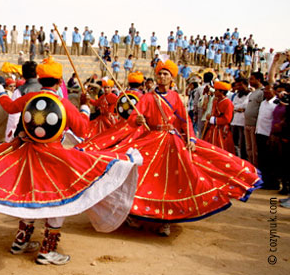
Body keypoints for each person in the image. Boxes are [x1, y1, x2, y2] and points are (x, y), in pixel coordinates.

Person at [0, 57, 141, 265]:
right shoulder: (63, 103)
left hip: (28, 154)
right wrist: (85, 108)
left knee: (30, 196)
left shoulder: (30, 97)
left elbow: (8, 106)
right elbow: (82, 129)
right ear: (59, 81)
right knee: (57, 200)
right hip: (53, 157)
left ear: (41, 78)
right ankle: (47, 250)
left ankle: (21, 241)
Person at [93, 60, 260, 236]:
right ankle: (135, 214)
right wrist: (138, 120)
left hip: (173, 142)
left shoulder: (175, 97)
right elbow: (134, 118)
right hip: (151, 140)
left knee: (173, 181)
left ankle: (167, 221)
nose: (162, 76)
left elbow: (184, 120)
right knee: (142, 177)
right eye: (160, 73)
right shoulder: (148, 98)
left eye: (166, 74)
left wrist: (192, 138)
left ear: (172, 77)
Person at [4, 61, 41, 142]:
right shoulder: (45, 89)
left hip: (25, 133)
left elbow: (14, 117)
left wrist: (9, 137)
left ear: (23, 74)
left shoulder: (20, 91)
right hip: (44, 133)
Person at [202, 81, 235, 153]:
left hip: (221, 130)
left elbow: (227, 119)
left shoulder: (228, 103)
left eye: (216, 90)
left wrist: (212, 119)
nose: (214, 92)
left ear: (222, 92)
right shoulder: (215, 101)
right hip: (213, 128)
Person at [256, 83, 277, 189]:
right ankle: (263, 180)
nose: (266, 92)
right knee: (262, 159)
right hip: (260, 132)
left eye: (269, 90)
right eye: (265, 90)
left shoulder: (275, 104)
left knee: (270, 160)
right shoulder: (263, 103)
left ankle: (271, 183)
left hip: (269, 135)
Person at [244, 72, 264, 166]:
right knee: (249, 148)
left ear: (258, 80)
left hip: (254, 125)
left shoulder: (262, 92)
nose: (250, 81)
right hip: (247, 123)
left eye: (252, 79)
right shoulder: (253, 92)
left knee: (254, 149)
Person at [230, 78, 250, 159]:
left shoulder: (249, 94)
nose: (238, 87)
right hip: (234, 121)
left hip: (242, 122)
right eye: (237, 85)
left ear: (246, 85)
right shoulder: (236, 95)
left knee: (242, 144)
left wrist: (237, 108)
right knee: (234, 142)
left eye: (240, 85)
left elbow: (245, 106)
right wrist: (238, 109)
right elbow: (232, 106)